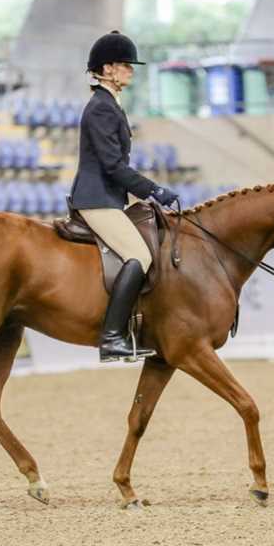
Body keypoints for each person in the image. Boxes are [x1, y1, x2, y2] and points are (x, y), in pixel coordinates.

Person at [70, 30, 179, 363]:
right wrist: (154, 190)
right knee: (139, 256)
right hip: (96, 198)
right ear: (108, 69)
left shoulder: (110, 105)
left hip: (110, 196)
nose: (131, 70)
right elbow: (114, 166)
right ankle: (112, 337)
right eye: (125, 65)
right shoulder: (101, 108)